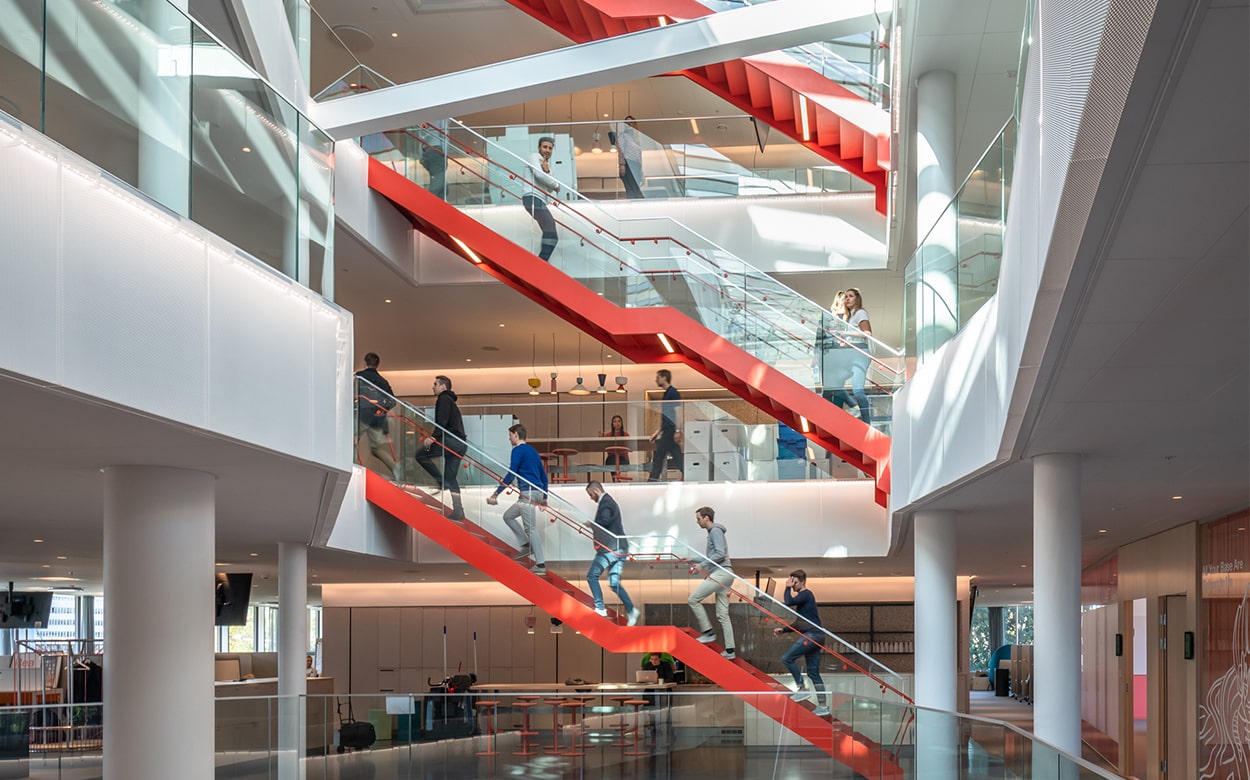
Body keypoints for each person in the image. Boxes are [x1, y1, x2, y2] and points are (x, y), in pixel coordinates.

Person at [486, 424, 550, 576]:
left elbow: (511, 473)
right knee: (508, 516)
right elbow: (543, 475)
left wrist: (496, 493)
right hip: (536, 492)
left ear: (516, 434)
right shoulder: (533, 452)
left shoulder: (517, 450)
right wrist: (544, 497)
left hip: (528, 491)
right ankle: (526, 544)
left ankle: (540, 565)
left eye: (510, 435)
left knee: (531, 529)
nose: (509, 438)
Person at [773, 570, 831, 717]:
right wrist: (784, 630)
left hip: (812, 636)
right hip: (816, 636)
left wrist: (785, 587)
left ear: (803, 582)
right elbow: (800, 623)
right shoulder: (804, 598)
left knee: (787, 658)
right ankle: (823, 706)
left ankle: (802, 688)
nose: (792, 586)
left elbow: (788, 602)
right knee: (813, 673)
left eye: (795, 583)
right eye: (791, 583)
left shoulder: (806, 594)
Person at [584, 480, 641, 625]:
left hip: (610, 548)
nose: (591, 498)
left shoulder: (606, 502)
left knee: (592, 575)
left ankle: (600, 607)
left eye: (591, 495)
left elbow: (604, 520)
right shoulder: (610, 501)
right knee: (614, 583)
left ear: (596, 490)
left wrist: (592, 524)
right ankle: (631, 610)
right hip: (620, 547)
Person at [415, 375, 467, 521]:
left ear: (443, 387)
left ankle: (440, 481)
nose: (433, 387)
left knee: (421, 455)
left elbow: (442, 421)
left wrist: (433, 437)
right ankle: (459, 510)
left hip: (451, 440)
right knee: (451, 477)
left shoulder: (443, 399)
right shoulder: (451, 401)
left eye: (435, 384)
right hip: (460, 443)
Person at [688, 506, 736, 659]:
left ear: (706, 518)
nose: (697, 522)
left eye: (698, 518)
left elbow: (720, 554)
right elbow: (715, 556)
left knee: (693, 599)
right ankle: (730, 650)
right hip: (726, 574)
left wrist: (702, 565)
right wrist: (695, 560)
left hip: (721, 573)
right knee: (722, 615)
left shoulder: (715, 531)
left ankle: (708, 632)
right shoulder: (714, 532)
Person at [354, 352, 400, 481]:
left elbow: (352, 393)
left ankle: (350, 469)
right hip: (377, 419)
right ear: (377, 365)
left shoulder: (359, 377)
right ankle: (395, 468)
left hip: (362, 416)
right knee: (376, 448)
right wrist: (382, 410)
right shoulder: (383, 381)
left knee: (351, 443)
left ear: (365, 363)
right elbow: (392, 401)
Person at [833, 287, 873, 424]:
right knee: (836, 382)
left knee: (858, 390)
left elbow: (868, 334)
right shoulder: (849, 318)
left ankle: (867, 422)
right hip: (851, 354)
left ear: (857, 299)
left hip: (860, 354)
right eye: (846, 297)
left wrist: (846, 334)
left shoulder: (860, 313)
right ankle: (852, 408)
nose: (847, 299)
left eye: (850, 296)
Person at [522, 135, 562, 261]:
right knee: (550, 229)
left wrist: (547, 171)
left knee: (550, 232)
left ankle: (541, 261)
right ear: (539, 147)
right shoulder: (534, 157)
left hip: (540, 200)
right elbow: (541, 177)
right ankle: (541, 262)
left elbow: (549, 189)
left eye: (550, 148)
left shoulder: (548, 166)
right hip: (532, 197)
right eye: (545, 147)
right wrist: (555, 185)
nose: (547, 150)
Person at [647, 370, 683, 481]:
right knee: (675, 454)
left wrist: (678, 430)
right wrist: (656, 433)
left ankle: (653, 479)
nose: (656, 380)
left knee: (659, 454)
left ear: (664, 377)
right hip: (668, 429)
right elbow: (665, 418)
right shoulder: (667, 394)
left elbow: (678, 411)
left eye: (658, 377)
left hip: (671, 430)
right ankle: (687, 472)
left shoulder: (673, 393)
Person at [616, 116, 644, 199]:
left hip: (636, 165)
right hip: (628, 163)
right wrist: (622, 165)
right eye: (627, 123)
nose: (629, 124)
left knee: (636, 188)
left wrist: (641, 170)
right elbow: (621, 150)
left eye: (631, 122)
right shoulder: (623, 136)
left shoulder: (636, 138)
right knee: (631, 189)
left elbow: (639, 155)